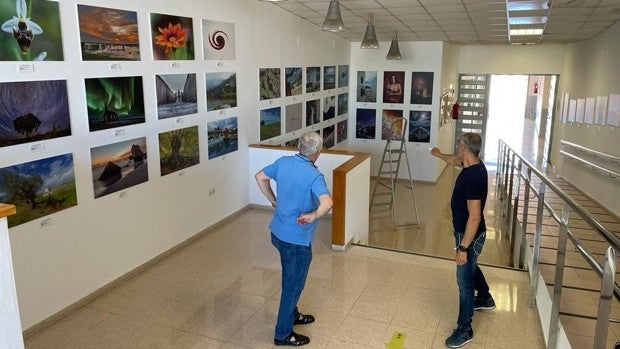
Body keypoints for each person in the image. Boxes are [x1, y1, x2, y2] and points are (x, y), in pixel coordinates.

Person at [255, 131, 333, 346]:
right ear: (318, 152)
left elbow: (260, 177)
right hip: (296, 242)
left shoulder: (283, 162)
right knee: (293, 286)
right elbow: (327, 203)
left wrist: (274, 201)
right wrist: (313, 215)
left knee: (290, 278)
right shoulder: (314, 176)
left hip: (278, 233)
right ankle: (282, 334)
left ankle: (293, 315)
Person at [430, 132, 496, 348]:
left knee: (464, 281)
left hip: (469, 236)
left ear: (464, 148)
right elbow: (453, 160)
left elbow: (475, 216)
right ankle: (485, 297)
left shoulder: (472, 177)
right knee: (471, 267)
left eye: (459, 144)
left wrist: (463, 247)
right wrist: (438, 154)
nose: (457, 147)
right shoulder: (474, 165)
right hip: (469, 233)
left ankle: (464, 329)